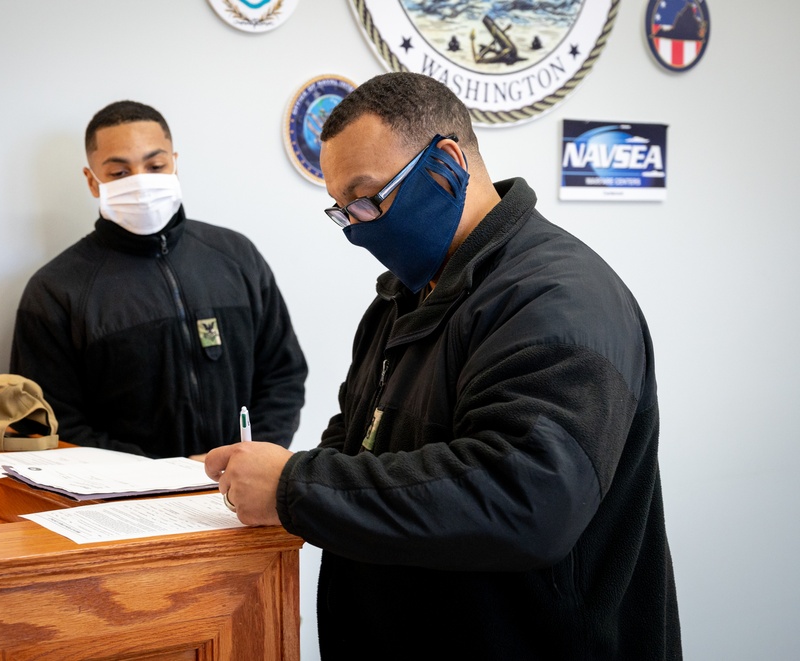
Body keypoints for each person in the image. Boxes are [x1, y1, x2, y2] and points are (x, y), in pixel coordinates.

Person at [205, 72, 681, 659]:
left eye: (370, 198)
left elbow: (526, 498)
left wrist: (295, 488)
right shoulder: (403, 298)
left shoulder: (560, 299)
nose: (357, 227)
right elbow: (360, 445)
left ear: (446, 162)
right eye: (343, 210)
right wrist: (280, 479)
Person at [11, 100, 307, 459]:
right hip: (127, 503)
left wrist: (247, 459)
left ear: (174, 165)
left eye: (155, 165)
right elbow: (55, 424)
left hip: (242, 488)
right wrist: (167, 475)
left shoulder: (236, 255)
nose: (141, 182)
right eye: (119, 173)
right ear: (92, 181)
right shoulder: (56, 291)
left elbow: (283, 374)